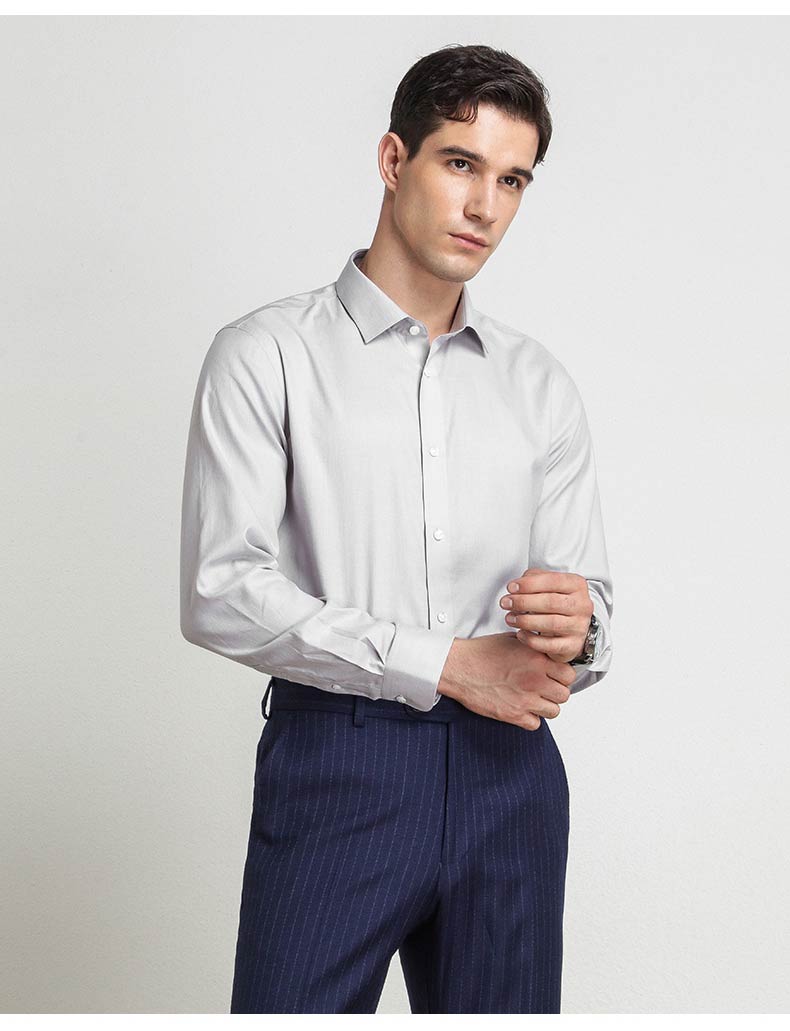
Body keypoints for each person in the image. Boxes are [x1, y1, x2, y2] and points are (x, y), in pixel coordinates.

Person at [179, 42, 614, 1014]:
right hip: (342, 764)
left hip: (511, 778)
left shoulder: (539, 384)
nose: (485, 206)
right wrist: (447, 663)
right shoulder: (267, 355)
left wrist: (579, 630)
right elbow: (219, 589)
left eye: (512, 180)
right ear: (392, 159)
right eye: (460, 163)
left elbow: (593, 616)